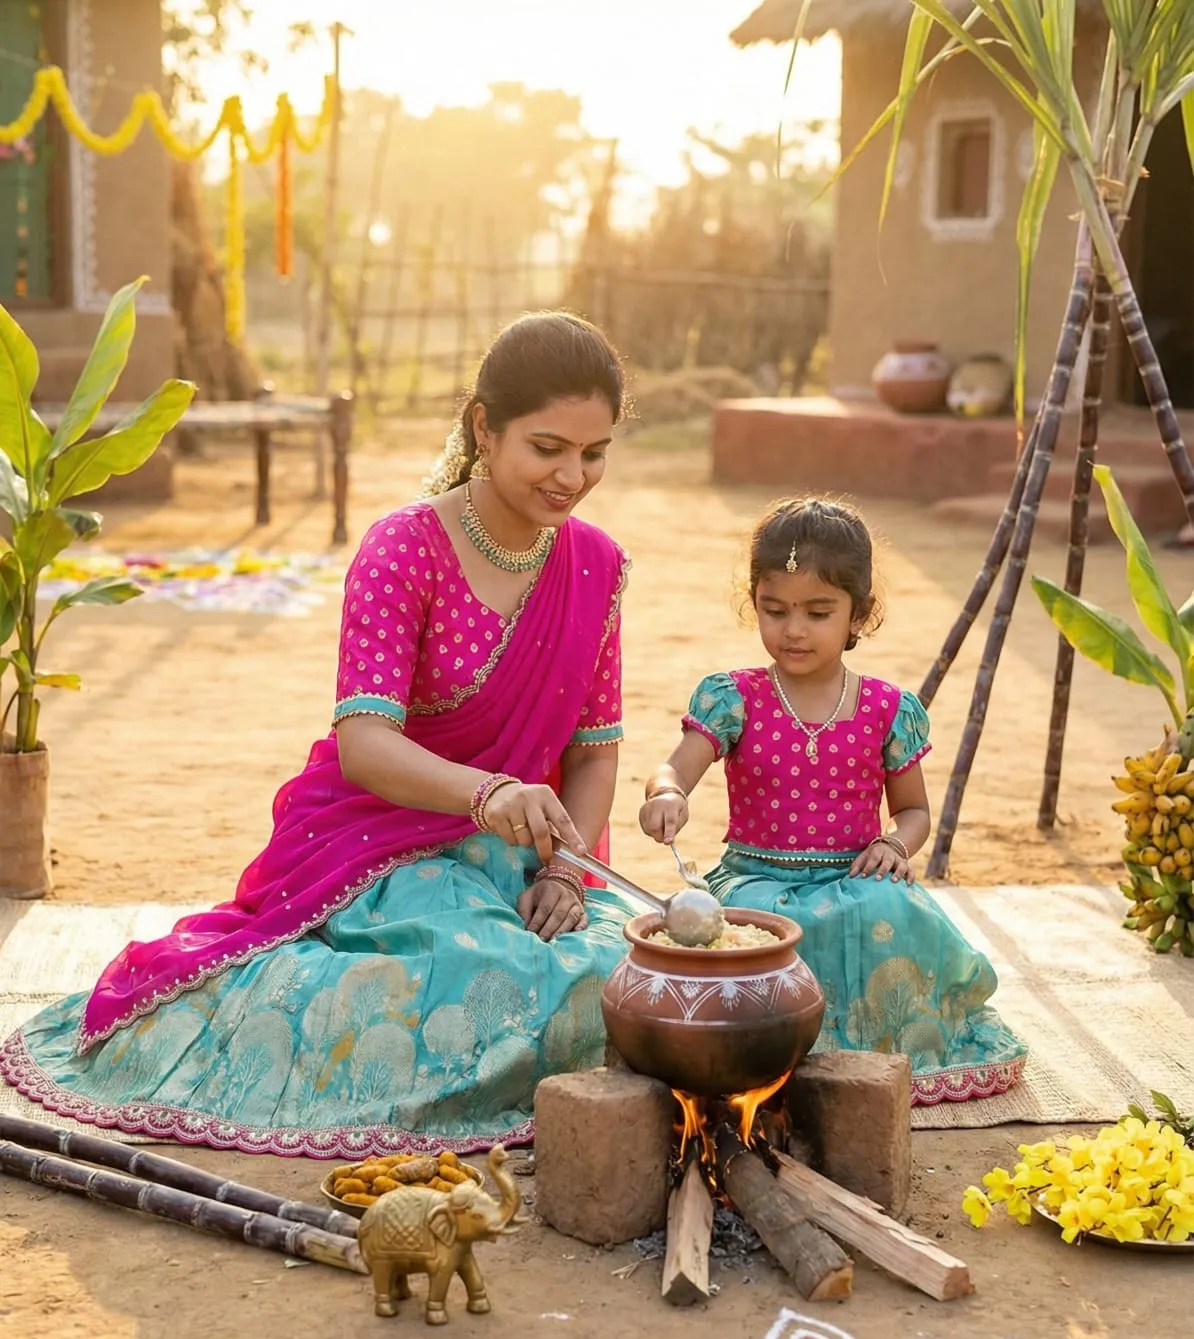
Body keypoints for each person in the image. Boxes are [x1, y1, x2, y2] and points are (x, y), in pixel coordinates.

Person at [0, 313, 636, 1156]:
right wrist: (486, 794)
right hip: (381, 840)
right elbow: (367, 744)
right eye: (548, 447)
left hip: (529, 850)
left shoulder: (596, 565)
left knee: (633, 968)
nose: (571, 476)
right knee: (476, 974)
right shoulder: (404, 550)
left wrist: (566, 871)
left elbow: (594, 751)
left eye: (592, 454)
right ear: (485, 426)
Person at [639, 496, 1026, 1106]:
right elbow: (676, 764)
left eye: (818, 612)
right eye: (775, 610)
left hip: (856, 874)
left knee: (894, 912)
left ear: (858, 614)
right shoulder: (734, 697)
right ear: (755, 604)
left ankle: (880, 1055)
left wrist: (894, 843)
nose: (794, 630)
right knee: (762, 932)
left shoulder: (886, 710)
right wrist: (666, 793)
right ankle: (777, 1056)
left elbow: (915, 812)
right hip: (758, 880)